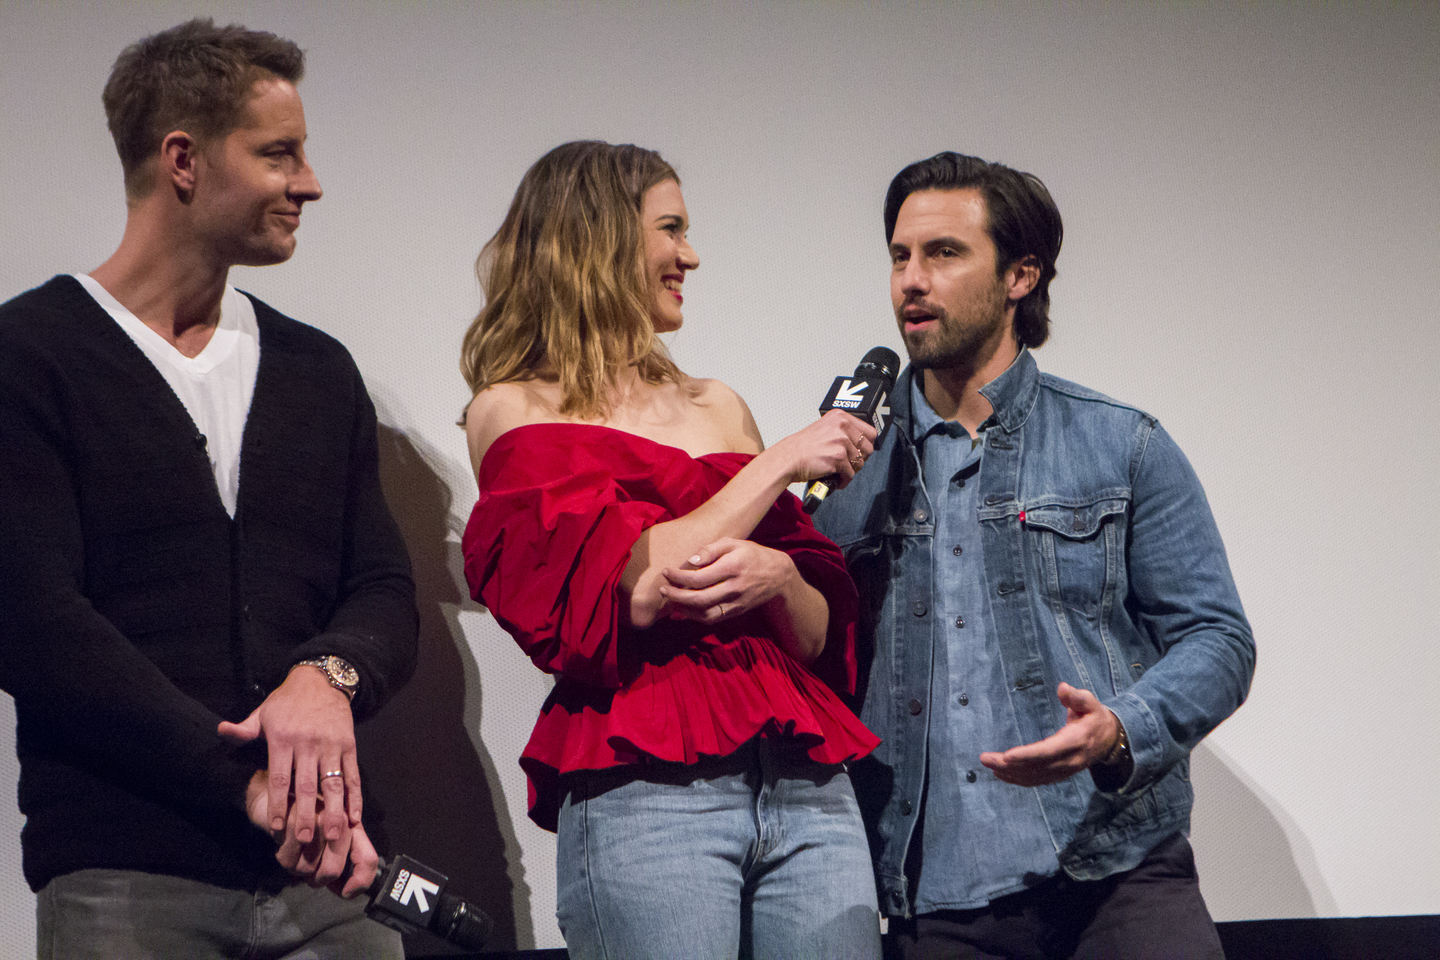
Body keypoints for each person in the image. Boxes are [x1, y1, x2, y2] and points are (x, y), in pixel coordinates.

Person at [0, 19, 417, 958]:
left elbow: (384, 588)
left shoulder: (317, 369)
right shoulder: (31, 356)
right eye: (279, 153)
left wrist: (328, 674)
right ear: (182, 159)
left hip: (332, 879)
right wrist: (244, 784)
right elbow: (33, 622)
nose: (308, 183)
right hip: (128, 878)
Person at [812, 152, 1256, 960]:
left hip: (1116, 870)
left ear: (1021, 275)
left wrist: (1122, 728)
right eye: (900, 256)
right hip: (934, 895)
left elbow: (1218, 641)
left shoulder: (1119, 443)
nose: (912, 279)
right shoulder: (842, 472)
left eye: (944, 253)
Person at [460, 140, 883, 959]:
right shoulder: (511, 410)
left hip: (806, 786)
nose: (691, 255)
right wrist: (781, 461)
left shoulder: (719, 402)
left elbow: (817, 633)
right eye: (671, 229)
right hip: (647, 791)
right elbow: (641, 585)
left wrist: (782, 573)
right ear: (599, 239)